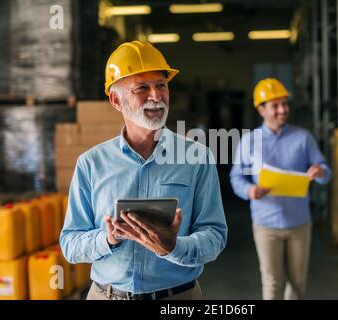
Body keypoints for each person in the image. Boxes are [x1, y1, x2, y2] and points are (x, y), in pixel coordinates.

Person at [60, 41, 227, 300]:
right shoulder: (91, 164)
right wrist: (108, 238)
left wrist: (174, 247)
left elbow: (215, 236)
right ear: (116, 100)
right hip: (107, 295)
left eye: (161, 85)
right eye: (142, 88)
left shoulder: (197, 158)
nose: (156, 96)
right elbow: (70, 244)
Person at [229, 78, 331, 300]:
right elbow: (236, 177)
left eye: (284, 104)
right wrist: (250, 191)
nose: (283, 110)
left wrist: (320, 172)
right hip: (266, 224)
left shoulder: (303, 137)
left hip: (299, 223)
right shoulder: (249, 141)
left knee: (298, 282)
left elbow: (325, 171)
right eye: (275, 105)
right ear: (261, 109)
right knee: (272, 282)